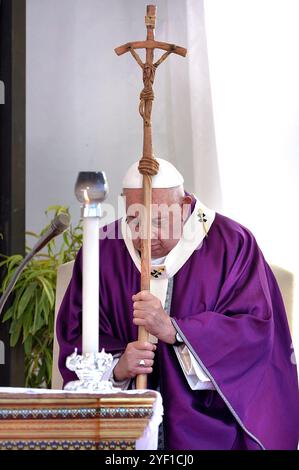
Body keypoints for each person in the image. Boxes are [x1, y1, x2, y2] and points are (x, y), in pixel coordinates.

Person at [57, 158, 299, 450]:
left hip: (212, 428)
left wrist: (174, 331)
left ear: (184, 205)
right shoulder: (104, 250)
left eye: (159, 221)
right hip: (121, 430)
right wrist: (118, 369)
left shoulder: (232, 245)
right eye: (134, 220)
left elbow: (256, 334)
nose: (145, 236)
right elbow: (78, 335)